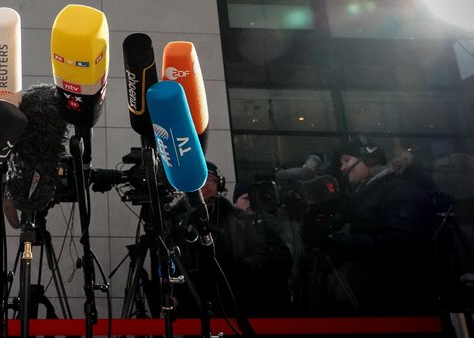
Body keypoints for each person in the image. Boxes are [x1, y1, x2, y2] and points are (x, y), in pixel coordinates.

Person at [301, 135, 436, 314]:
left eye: (346, 160)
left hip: (397, 298)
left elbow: (401, 244)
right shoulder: (364, 195)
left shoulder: (400, 191)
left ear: (370, 158)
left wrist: (339, 241)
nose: (342, 168)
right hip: (373, 291)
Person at [174, 162, 292, 319]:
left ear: (220, 184)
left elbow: (262, 252)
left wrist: (244, 268)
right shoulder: (175, 219)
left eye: (210, 179)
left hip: (231, 298)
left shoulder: (236, 218)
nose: (204, 184)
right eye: (199, 179)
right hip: (190, 300)